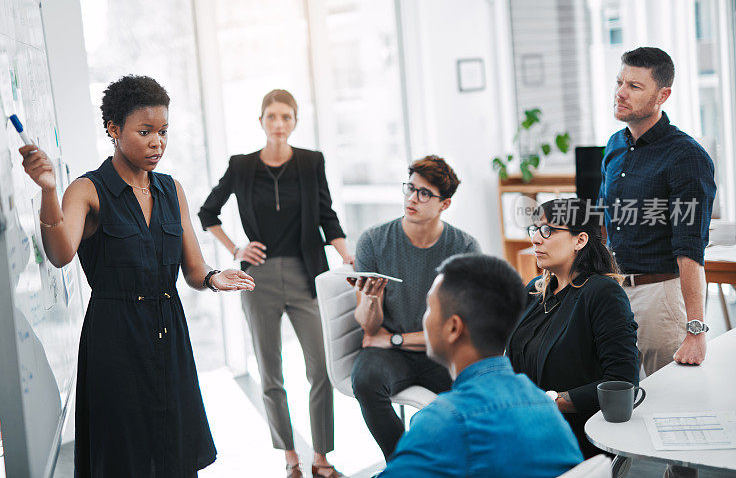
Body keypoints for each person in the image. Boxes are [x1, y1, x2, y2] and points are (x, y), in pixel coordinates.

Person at [18, 75, 255, 477]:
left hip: (169, 332)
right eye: (144, 131)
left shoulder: (170, 189)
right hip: (116, 338)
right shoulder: (86, 189)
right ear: (113, 129)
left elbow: (194, 270)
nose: (156, 142)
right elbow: (60, 253)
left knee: (174, 450)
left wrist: (216, 277)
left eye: (162, 132)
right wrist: (47, 191)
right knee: (125, 455)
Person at [198, 89, 351, 478]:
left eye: (286, 117)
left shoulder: (311, 162)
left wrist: (347, 255)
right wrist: (237, 248)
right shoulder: (242, 166)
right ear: (261, 121)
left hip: (305, 273)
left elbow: (327, 215)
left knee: (319, 368)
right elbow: (207, 212)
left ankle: (321, 457)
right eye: (272, 117)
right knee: (271, 372)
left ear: (295, 121)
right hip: (258, 278)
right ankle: (290, 457)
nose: (279, 124)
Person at [378, 254, 583, 477]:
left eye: (428, 307)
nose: (424, 319)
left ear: (453, 328)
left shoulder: (444, 421)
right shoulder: (545, 405)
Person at [350, 155, 480, 460]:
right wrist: (369, 300)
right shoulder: (373, 241)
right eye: (410, 188)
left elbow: (456, 330)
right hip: (390, 356)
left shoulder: (465, 248)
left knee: (475, 396)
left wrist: (394, 338)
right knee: (365, 379)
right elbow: (369, 329)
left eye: (424, 193)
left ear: (444, 204)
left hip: (441, 354)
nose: (412, 198)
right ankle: (404, 464)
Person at [601, 47, 715, 378]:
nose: (620, 93)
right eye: (620, 82)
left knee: (668, 407)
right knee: (616, 400)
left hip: (662, 298)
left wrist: (696, 330)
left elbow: (690, 249)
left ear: (662, 95)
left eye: (634, 86)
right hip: (616, 293)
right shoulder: (613, 145)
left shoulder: (686, 157)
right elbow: (604, 224)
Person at [506, 198, 640, 458]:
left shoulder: (601, 292)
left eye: (547, 230)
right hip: (526, 429)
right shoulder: (536, 289)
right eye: (534, 229)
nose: (535, 239)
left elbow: (622, 382)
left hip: (574, 439)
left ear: (579, 240)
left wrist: (548, 403)